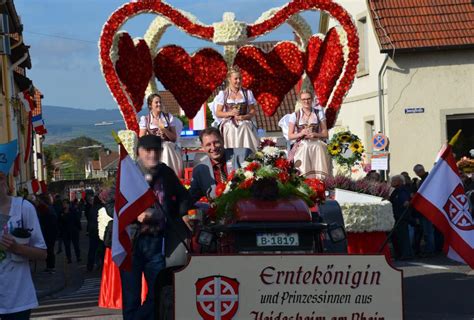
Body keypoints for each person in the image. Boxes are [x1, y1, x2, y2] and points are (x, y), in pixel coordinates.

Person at [106, 134, 191, 320]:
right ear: (139, 152)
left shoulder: (165, 173)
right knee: (131, 298)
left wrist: (184, 213)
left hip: (156, 242)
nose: (152, 154)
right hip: (131, 243)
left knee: (157, 295)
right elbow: (110, 203)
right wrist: (134, 214)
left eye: (157, 150)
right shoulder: (128, 172)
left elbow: (183, 197)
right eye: (148, 150)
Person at [0, 171, 47, 319]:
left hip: (17, 299)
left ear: (6, 182)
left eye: (0, 178)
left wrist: (17, 248)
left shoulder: (23, 208)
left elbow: (42, 253)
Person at [190, 127, 252, 203]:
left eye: (216, 142)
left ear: (223, 141)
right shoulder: (199, 171)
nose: (213, 147)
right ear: (202, 147)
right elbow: (193, 198)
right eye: (208, 144)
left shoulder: (243, 155)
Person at [287, 90, 331, 179]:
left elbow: (325, 133)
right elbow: (290, 136)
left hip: (316, 141)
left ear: (312, 99)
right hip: (302, 142)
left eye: (308, 99)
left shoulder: (319, 113)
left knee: (318, 146)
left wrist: (315, 134)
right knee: (305, 146)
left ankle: (320, 178)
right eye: (303, 99)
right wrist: (301, 133)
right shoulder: (295, 115)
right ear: (300, 101)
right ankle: (304, 177)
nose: (306, 101)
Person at [215, 66, 259, 152]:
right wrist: (230, 113)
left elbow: (253, 111)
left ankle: (248, 153)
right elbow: (218, 113)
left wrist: (244, 117)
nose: (238, 81)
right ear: (229, 79)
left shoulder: (247, 93)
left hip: (244, 120)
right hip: (228, 122)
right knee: (230, 127)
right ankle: (232, 153)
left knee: (245, 126)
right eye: (236, 79)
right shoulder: (223, 94)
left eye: (240, 78)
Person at [139, 93, 183, 178]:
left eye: (160, 102)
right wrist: (152, 138)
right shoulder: (145, 119)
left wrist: (164, 129)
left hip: (169, 146)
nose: (159, 104)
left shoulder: (168, 117)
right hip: (154, 147)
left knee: (165, 147)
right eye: (156, 102)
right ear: (150, 105)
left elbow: (174, 138)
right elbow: (142, 139)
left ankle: (168, 175)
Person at [413, 164, 436, 255]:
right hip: (426, 209)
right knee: (428, 231)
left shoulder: (427, 180)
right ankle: (429, 249)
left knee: (428, 231)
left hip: (427, 209)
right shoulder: (426, 179)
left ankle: (430, 250)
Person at [389, 175, 413, 260]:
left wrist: (405, 202)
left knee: (403, 237)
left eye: (393, 181)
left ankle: (406, 254)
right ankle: (399, 253)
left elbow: (405, 201)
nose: (391, 182)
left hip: (401, 217)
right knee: (397, 237)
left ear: (398, 182)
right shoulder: (395, 190)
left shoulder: (402, 190)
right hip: (396, 216)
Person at [36, 193, 58, 273]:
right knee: (49, 249)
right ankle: (50, 266)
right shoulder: (49, 207)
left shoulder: (44, 207)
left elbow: (44, 219)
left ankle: (51, 266)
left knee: (49, 249)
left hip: (48, 231)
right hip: (50, 230)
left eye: (39, 200)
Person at [60, 199, 81, 264]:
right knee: (67, 246)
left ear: (69, 204)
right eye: (63, 203)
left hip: (73, 230)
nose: (64, 205)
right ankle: (69, 258)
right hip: (65, 231)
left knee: (76, 245)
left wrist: (79, 227)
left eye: (65, 203)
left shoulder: (73, 211)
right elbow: (59, 222)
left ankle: (78, 257)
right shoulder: (61, 212)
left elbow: (77, 219)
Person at [86, 195, 102, 272]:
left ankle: (90, 266)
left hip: (92, 231)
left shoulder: (92, 209)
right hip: (99, 230)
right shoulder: (102, 208)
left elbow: (89, 220)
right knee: (101, 249)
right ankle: (102, 265)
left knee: (92, 249)